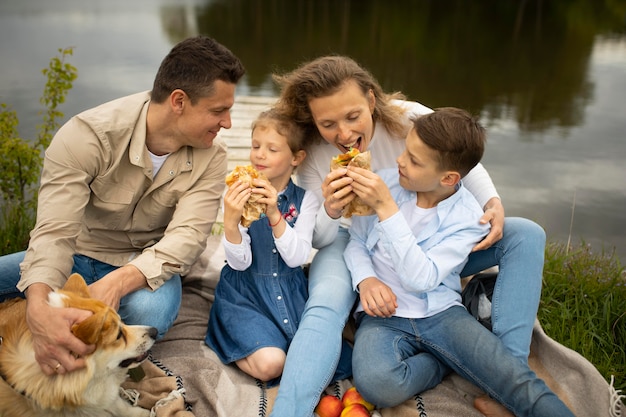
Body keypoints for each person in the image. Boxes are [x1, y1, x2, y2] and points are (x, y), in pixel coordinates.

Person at [268, 56, 546, 417]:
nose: (344, 133)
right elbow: (318, 238)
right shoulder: (311, 156)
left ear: (370, 100)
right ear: (312, 119)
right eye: (328, 123)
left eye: (353, 116)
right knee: (325, 303)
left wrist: (492, 202)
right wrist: (332, 210)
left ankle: (507, 372)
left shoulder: (409, 119)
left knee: (524, 234)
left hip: (424, 243)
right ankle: (290, 410)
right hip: (355, 242)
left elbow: (461, 162)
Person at [0, 35, 245, 376]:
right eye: (219, 110)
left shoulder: (213, 157)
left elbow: (188, 237)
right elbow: (54, 234)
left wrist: (118, 283)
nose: (228, 123)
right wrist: (38, 308)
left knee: (150, 316)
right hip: (77, 252)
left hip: (142, 266)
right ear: (179, 101)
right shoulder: (87, 136)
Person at [346, 107, 573, 417]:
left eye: (414, 160)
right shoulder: (386, 183)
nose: (400, 161)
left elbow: (421, 279)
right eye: (405, 151)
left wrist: (387, 209)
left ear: (449, 177)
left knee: (515, 381)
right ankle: (445, 361)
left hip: (441, 312)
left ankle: (473, 363)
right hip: (383, 317)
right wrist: (366, 280)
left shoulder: (468, 216)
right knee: (376, 384)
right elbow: (356, 241)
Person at [205, 108, 352, 386]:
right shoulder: (238, 192)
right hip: (245, 294)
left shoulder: (305, 200)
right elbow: (239, 262)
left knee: (322, 357)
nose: (260, 154)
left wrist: (274, 214)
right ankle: (233, 341)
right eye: (255, 146)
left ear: (296, 158)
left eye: (272, 149)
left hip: (288, 291)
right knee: (273, 363)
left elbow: (297, 257)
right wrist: (230, 222)